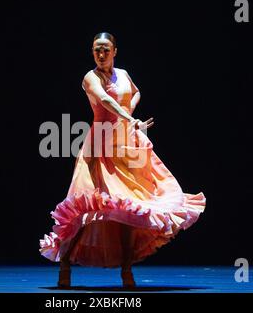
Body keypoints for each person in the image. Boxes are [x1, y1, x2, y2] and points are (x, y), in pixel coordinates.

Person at [39, 32, 206, 288]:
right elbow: (105, 99)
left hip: (126, 146)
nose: (101, 54)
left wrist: (130, 116)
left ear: (115, 51)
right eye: (96, 50)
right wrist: (130, 119)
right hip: (99, 149)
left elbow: (136, 92)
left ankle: (127, 270)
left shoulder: (124, 74)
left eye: (105, 49)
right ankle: (64, 264)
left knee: (130, 208)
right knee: (90, 210)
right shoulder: (90, 77)